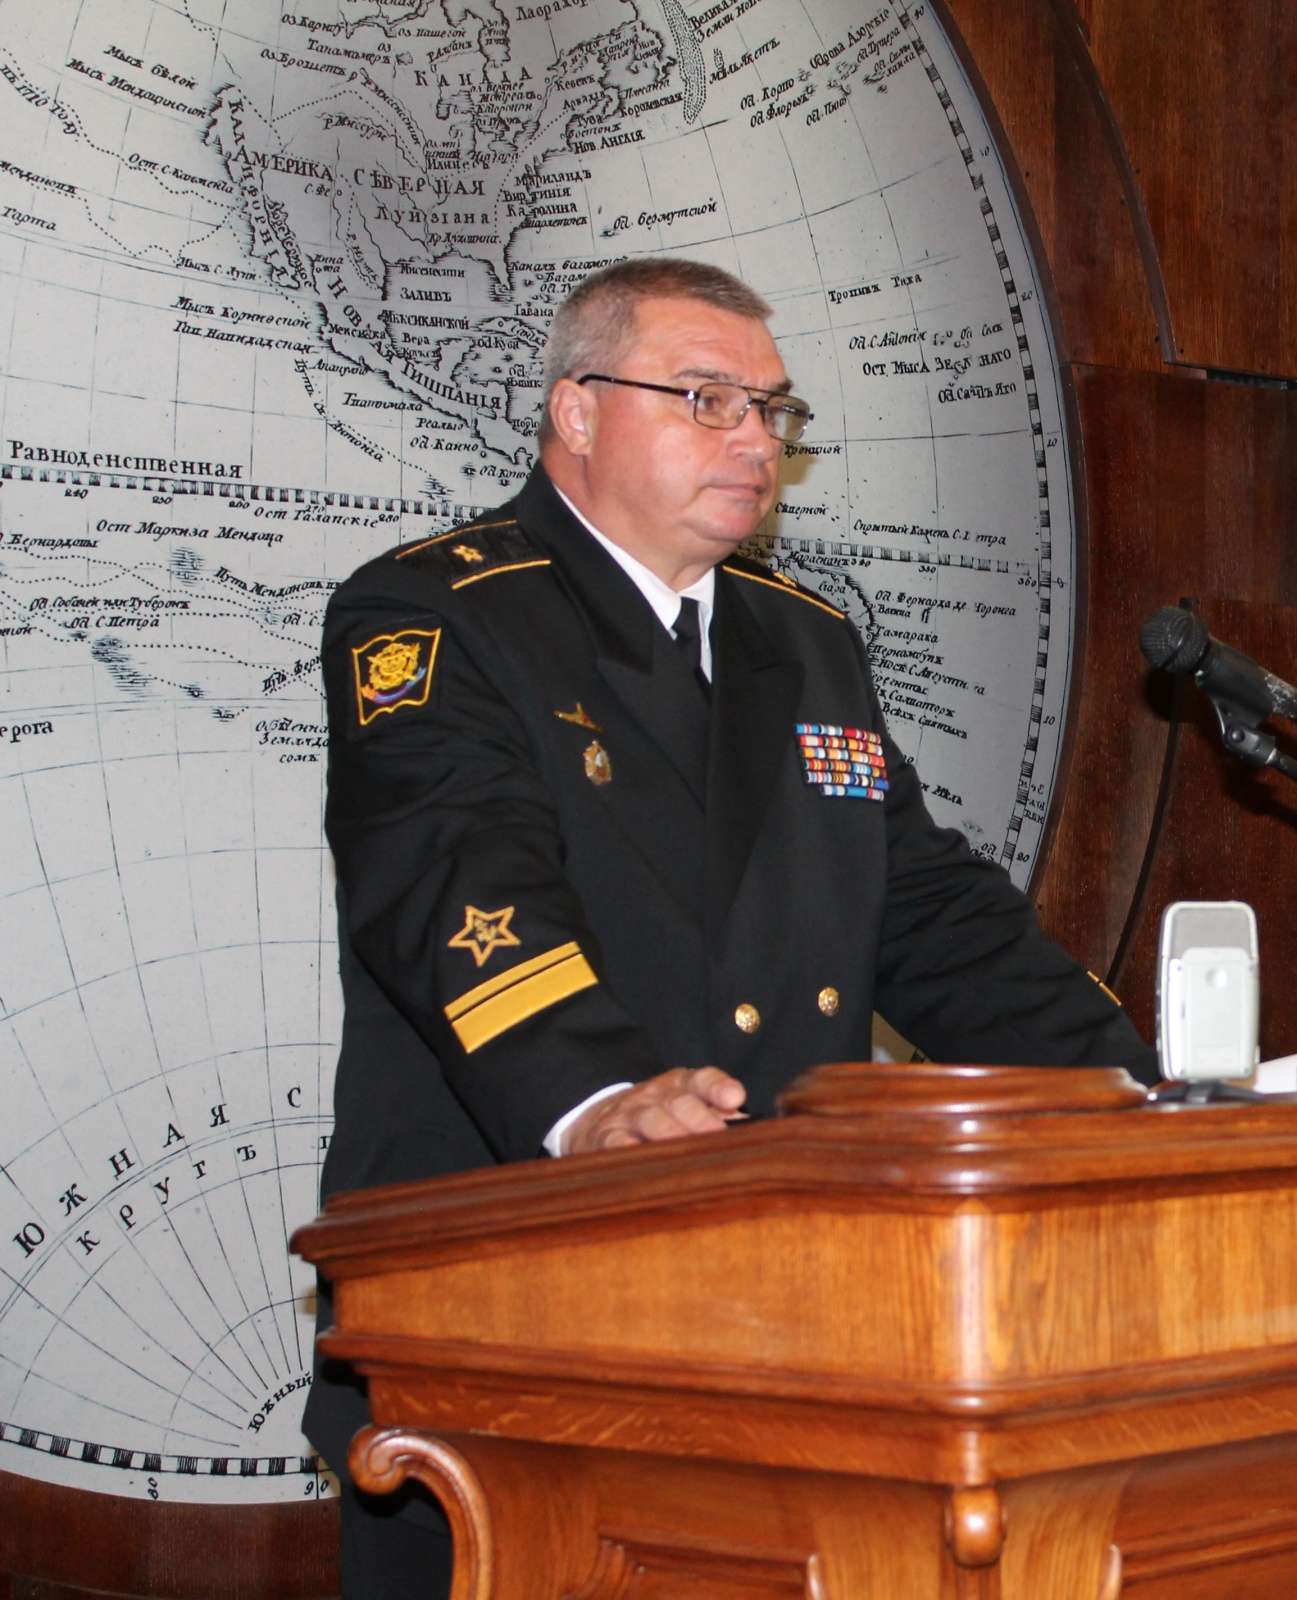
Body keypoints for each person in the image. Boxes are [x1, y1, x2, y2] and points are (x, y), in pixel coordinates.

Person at [300, 257, 1154, 1599]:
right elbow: (455, 884)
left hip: (783, 1325)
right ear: (577, 411)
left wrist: (1144, 1097)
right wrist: (597, 1103)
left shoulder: (804, 644)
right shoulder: (443, 612)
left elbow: (930, 915)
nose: (756, 440)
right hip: (510, 1316)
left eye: (772, 410)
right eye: (706, 400)